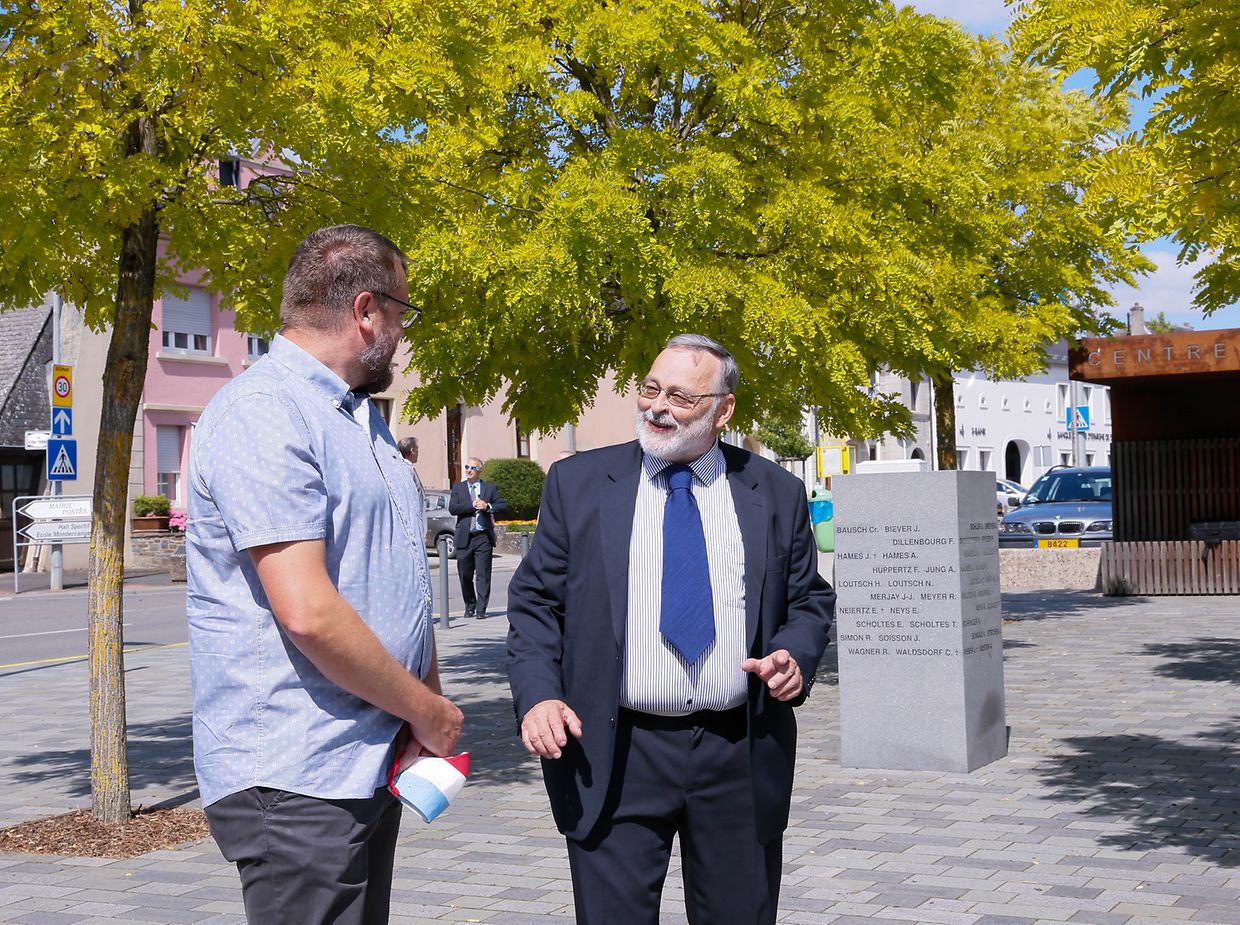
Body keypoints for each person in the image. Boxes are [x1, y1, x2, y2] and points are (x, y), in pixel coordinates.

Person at [186, 224, 464, 925]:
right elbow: (307, 610)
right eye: (401, 313)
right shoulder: (266, 412)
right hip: (297, 775)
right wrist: (425, 708)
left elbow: (393, 573)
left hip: (361, 759)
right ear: (366, 311)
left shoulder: (355, 417)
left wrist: (421, 702)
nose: (401, 335)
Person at [507, 333, 835, 925]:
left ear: (723, 410)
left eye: (680, 397)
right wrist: (538, 696)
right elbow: (535, 602)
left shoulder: (774, 491)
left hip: (738, 751)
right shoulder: (579, 483)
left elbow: (809, 598)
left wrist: (794, 654)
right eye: (651, 389)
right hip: (614, 751)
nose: (657, 407)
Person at [449, 457, 507, 619]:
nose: (468, 470)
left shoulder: (489, 488)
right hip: (465, 537)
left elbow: (503, 506)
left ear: (479, 471)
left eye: (472, 468)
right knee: (465, 574)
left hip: (483, 537)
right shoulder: (458, 488)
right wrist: (472, 505)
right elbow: (453, 508)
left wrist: (487, 506)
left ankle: (481, 609)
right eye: (467, 467)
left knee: (483, 575)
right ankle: (470, 605)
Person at [397, 435, 426, 530]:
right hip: (414, 523)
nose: (418, 453)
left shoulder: (407, 468)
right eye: (417, 449)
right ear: (412, 450)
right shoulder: (406, 470)